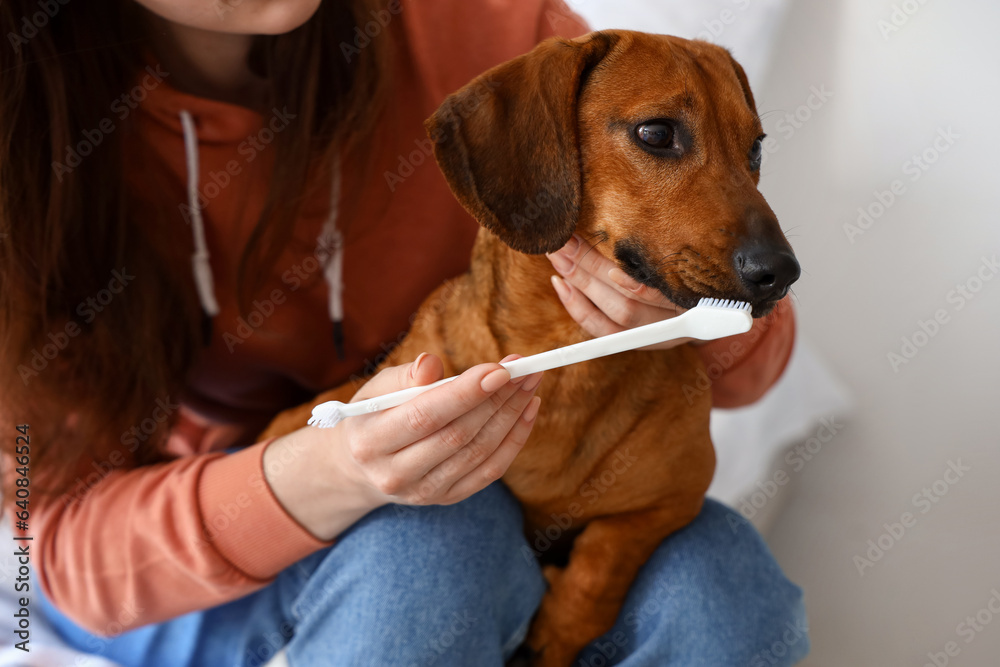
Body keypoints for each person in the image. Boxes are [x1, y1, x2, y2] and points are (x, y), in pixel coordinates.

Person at [0, 0, 807, 664]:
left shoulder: (491, 33)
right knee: (440, 545)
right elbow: (55, 549)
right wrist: (333, 466)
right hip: (196, 537)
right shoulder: (24, 138)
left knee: (724, 586)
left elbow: (746, 372)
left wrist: (679, 310)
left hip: (516, 478)